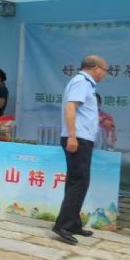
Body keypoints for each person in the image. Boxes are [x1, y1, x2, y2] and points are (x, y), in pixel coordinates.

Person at [52, 55, 109, 245]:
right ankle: (63, 225)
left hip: (82, 137)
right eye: (105, 70)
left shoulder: (86, 84)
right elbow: (70, 108)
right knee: (79, 181)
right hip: (78, 138)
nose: (105, 74)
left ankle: (73, 223)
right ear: (96, 68)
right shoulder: (81, 82)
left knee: (78, 180)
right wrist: (72, 136)